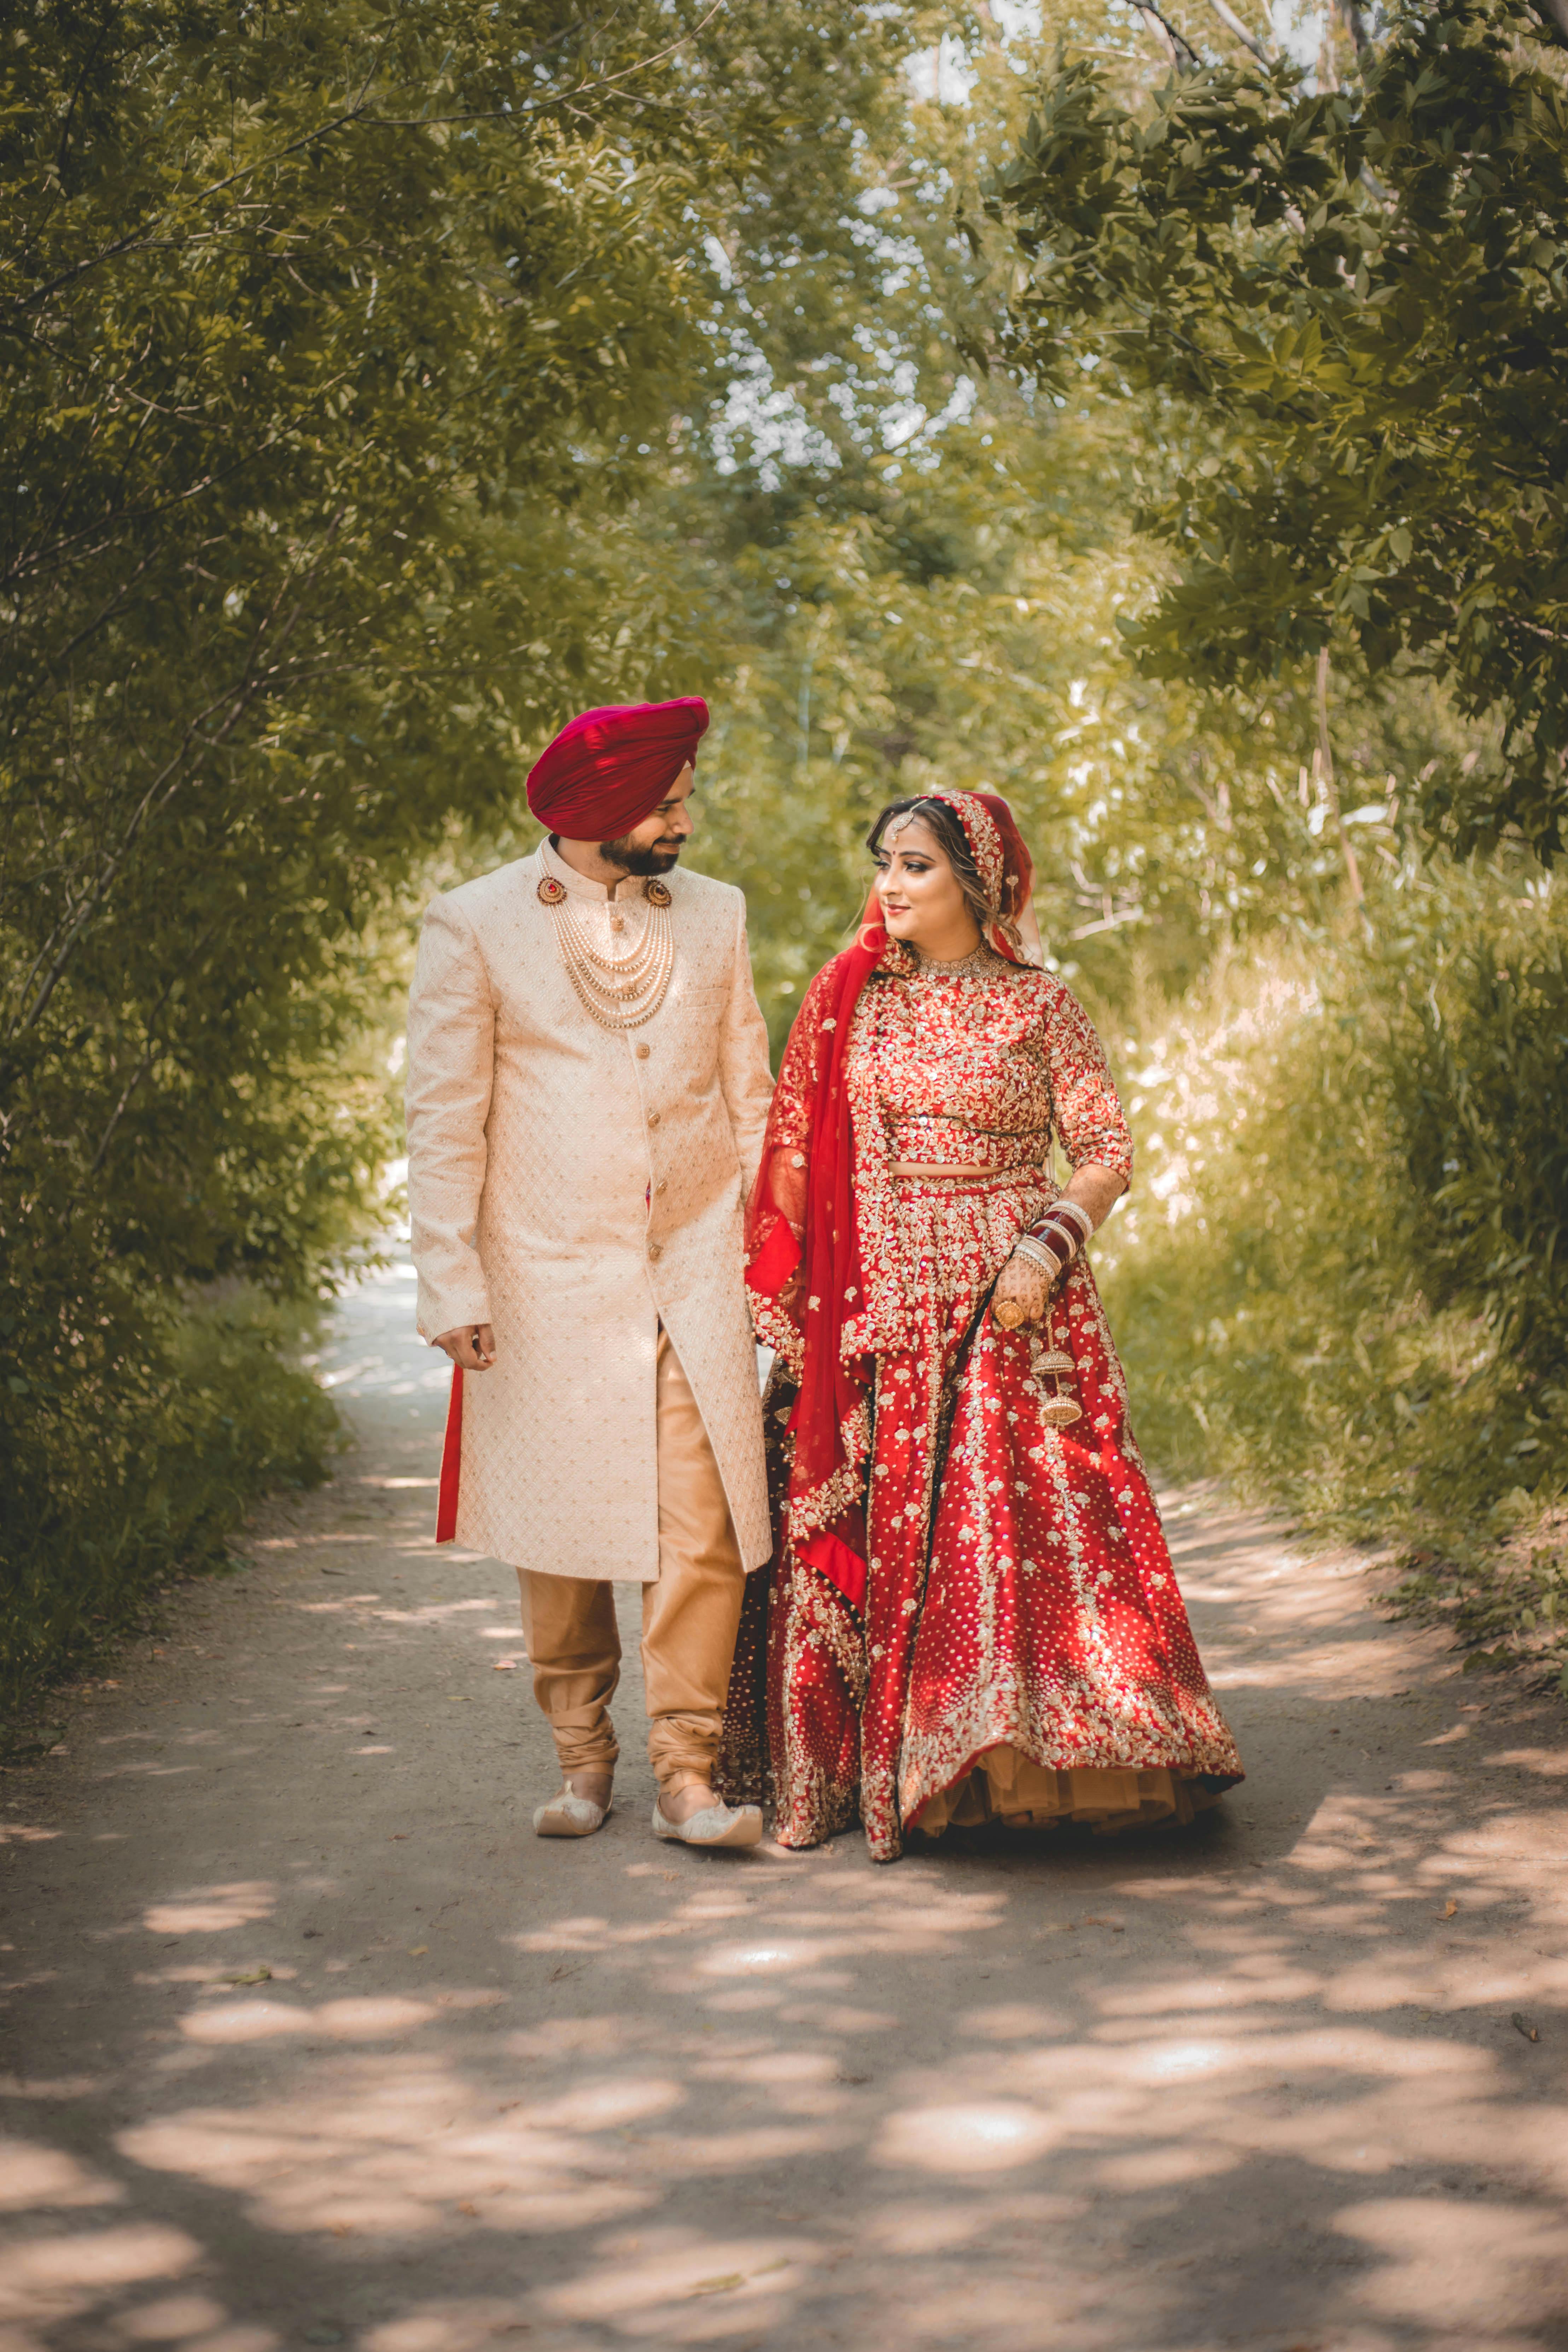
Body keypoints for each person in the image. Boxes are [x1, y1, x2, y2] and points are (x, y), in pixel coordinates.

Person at [724, 785, 1242, 1862]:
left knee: (1030, 1521)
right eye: (884, 861)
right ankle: (918, 1770)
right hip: (891, 1295)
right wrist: (809, 1311)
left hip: (1019, 1302)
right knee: (905, 1528)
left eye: (915, 864)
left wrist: (1045, 1245)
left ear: (979, 877)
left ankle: (1058, 1755)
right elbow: (797, 1159)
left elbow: (1104, 1151)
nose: (889, 883)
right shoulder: (853, 999)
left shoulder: (1040, 1006)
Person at [404, 697, 774, 1850]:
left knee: (702, 1525)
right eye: (666, 803)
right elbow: (444, 1117)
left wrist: (780, 1255)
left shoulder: (713, 914)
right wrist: (450, 1280)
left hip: (699, 1264)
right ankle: (581, 1759)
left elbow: (750, 1093)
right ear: (602, 810)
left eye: (681, 797)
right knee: (562, 1538)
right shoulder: (475, 923)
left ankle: (686, 1774)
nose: (683, 819)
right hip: (544, 1277)